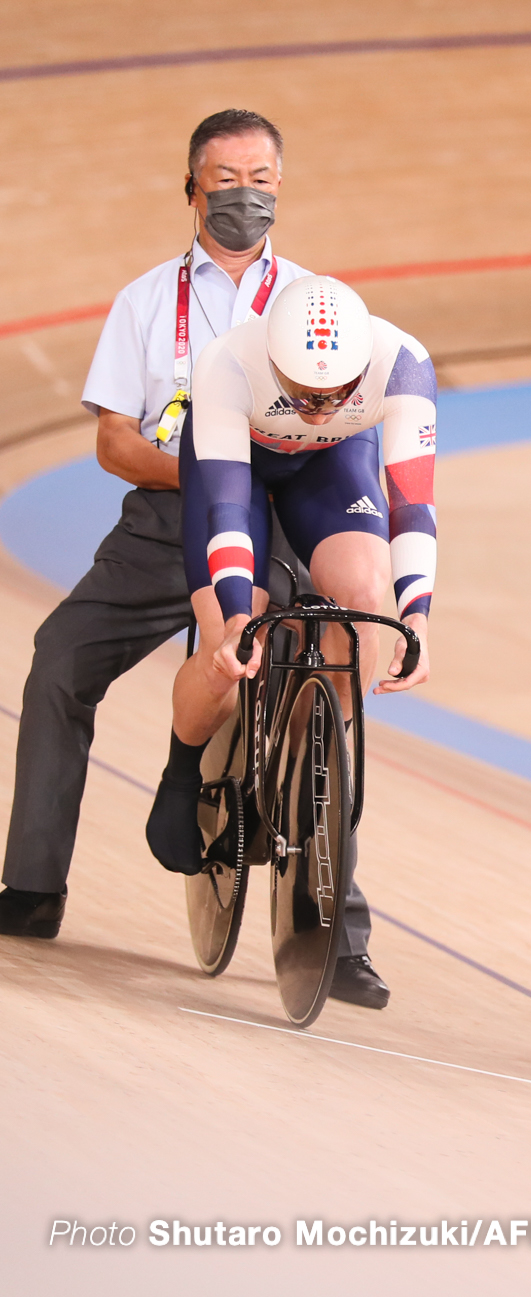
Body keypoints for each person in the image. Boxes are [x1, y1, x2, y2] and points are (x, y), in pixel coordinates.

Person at [0, 112, 319, 939]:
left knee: (320, 671)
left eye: (259, 179)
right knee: (58, 660)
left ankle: (336, 922)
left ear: (279, 187)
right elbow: (115, 443)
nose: (243, 195)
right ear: (191, 188)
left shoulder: (313, 305)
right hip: (163, 524)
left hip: (270, 526)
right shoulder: (144, 303)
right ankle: (33, 884)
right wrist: (214, 468)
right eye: (224, 180)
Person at [142, 275, 436, 1012]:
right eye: (303, 394)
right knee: (227, 640)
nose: (318, 407)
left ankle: (322, 762)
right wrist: (239, 619)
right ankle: (183, 774)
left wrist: (418, 616)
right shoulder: (227, 365)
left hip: (329, 473)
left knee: (368, 600)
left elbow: (413, 503)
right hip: (233, 470)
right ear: (273, 362)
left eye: (333, 395)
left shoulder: (402, 365)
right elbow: (225, 509)